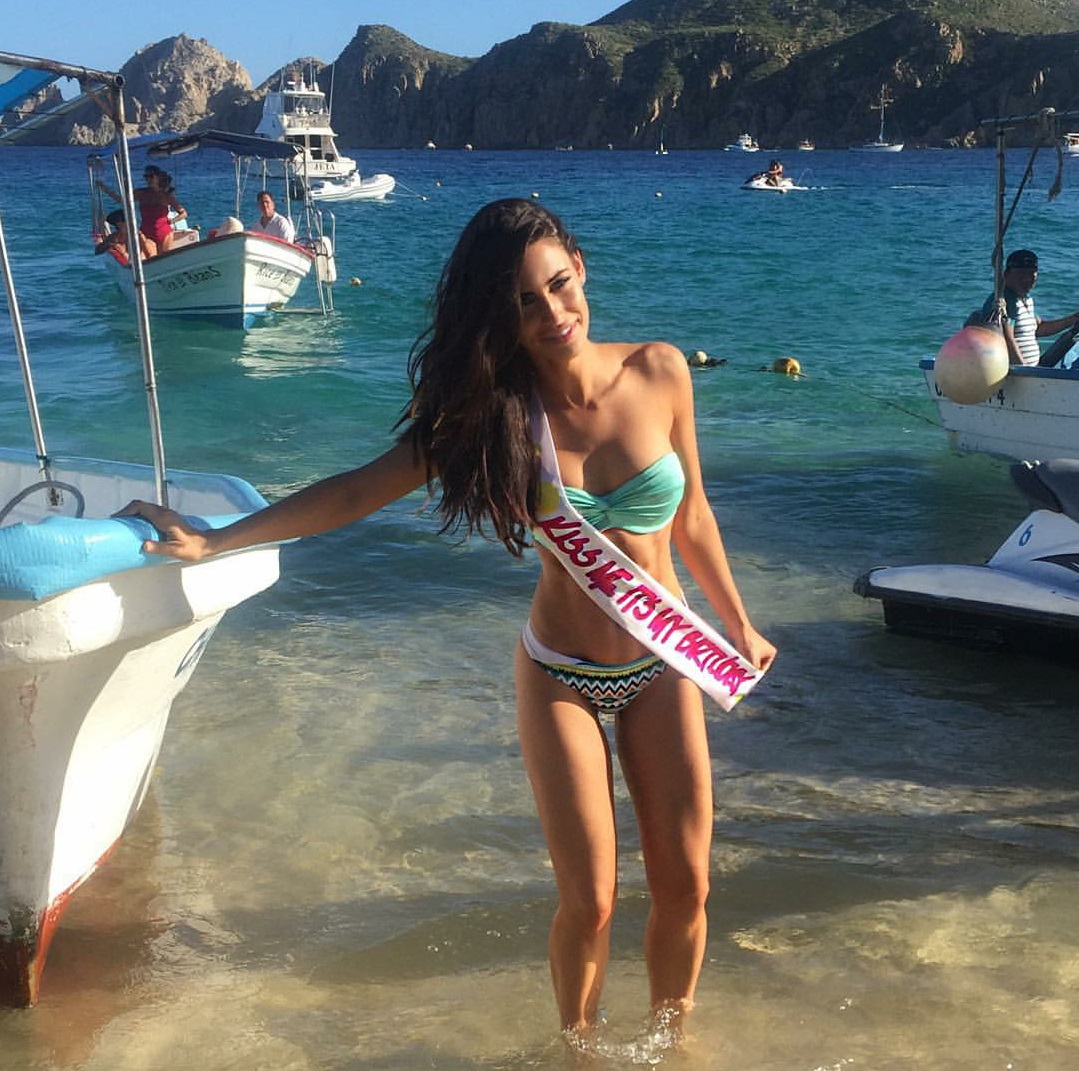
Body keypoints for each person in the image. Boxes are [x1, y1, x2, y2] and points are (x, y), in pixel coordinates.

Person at [118, 199, 776, 1045]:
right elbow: (358, 489)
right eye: (523, 303)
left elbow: (693, 517)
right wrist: (218, 539)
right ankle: (577, 1052)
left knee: (686, 885)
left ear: (580, 268)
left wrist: (737, 622)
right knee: (590, 899)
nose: (552, 314)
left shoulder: (660, 371)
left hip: (663, 658)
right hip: (561, 673)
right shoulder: (494, 418)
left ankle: (670, 1043)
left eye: (558, 285)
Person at [980, 249, 1079, 366]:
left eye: (1031, 274)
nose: (1026, 279)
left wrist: (1073, 319)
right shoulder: (1005, 301)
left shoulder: (1026, 299)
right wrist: (1025, 370)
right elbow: (1007, 339)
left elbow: (1038, 329)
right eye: (1021, 274)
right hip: (1016, 372)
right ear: (1006, 274)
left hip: (1033, 369)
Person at [97, 165, 187, 256]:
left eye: (151, 176)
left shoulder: (166, 196)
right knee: (150, 257)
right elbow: (121, 200)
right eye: (146, 176)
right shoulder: (141, 193)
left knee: (164, 258)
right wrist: (104, 188)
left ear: (158, 177)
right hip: (146, 232)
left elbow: (183, 214)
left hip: (164, 232)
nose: (148, 179)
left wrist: (172, 221)